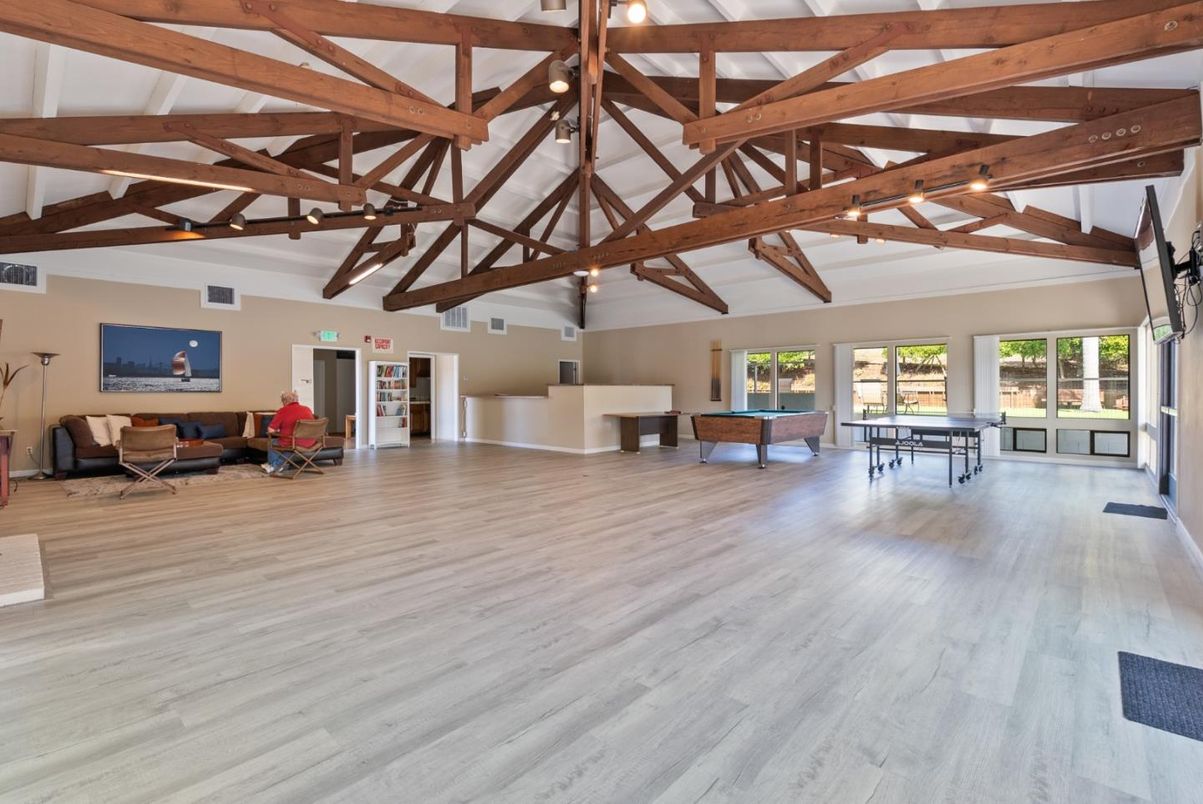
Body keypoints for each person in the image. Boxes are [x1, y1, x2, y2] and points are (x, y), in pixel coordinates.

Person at [262, 390, 315, 474]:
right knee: (291, 448)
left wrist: (279, 430)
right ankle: (277, 465)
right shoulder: (307, 409)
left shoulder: (283, 410)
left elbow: (270, 430)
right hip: (310, 441)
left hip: (293, 442)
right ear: (297, 399)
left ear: (284, 401)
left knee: (272, 442)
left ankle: (273, 465)